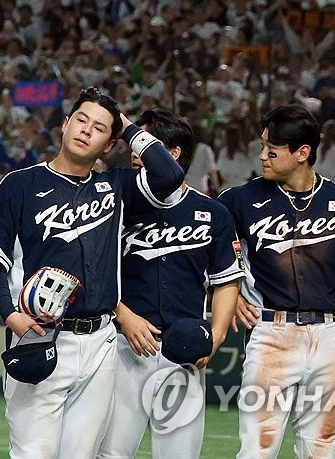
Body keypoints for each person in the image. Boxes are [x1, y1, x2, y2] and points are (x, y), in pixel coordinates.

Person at [0, 87, 185, 458]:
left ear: (108, 145)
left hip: (100, 342)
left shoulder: (115, 186)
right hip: (41, 334)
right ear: (65, 125)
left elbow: (169, 174)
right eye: (81, 120)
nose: (86, 130)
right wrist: (9, 315)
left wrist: (129, 129)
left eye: (99, 128)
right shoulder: (21, 184)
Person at [218, 103, 335, 459]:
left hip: (328, 338)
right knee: (256, 451)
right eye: (263, 146)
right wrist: (228, 296)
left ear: (302, 153)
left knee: (320, 451)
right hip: (270, 336)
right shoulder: (239, 200)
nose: (262, 155)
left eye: (271, 149)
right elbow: (204, 258)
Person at [98, 107, 244, 458]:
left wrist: (217, 336)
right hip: (124, 346)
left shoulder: (212, 213)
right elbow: (94, 270)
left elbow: (226, 282)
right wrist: (123, 314)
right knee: (110, 454)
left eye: (147, 142)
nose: (136, 151)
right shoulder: (115, 201)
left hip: (184, 353)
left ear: (173, 153)